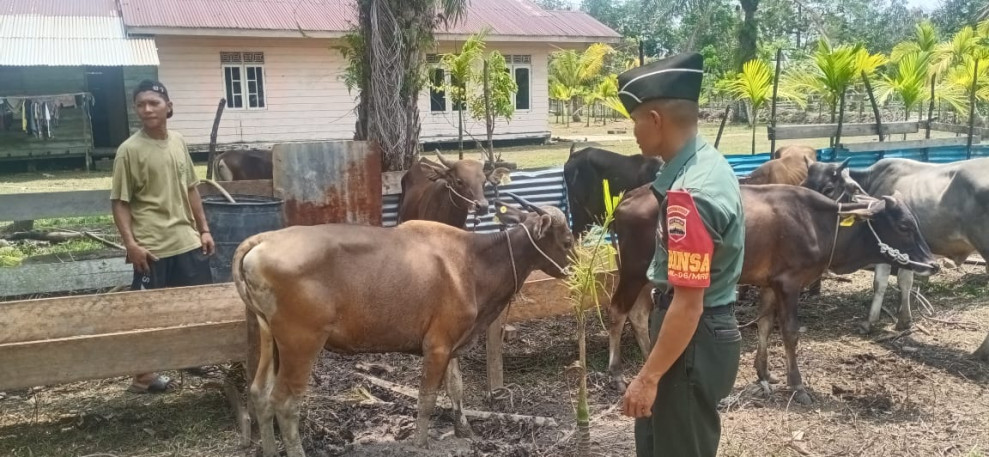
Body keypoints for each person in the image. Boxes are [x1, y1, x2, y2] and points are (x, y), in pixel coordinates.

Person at [617, 53, 746, 457]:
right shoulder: (705, 165)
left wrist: (648, 377)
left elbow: (688, 304)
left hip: (691, 339)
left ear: (655, 119)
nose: (634, 132)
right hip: (694, 335)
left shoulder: (690, 195)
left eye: (636, 120)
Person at [110, 79, 216, 394]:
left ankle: (191, 358)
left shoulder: (178, 142)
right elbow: (120, 202)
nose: (146, 109)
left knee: (196, 306)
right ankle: (143, 377)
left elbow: (191, 188)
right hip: (151, 248)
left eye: (153, 103)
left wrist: (204, 229)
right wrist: (131, 245)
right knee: (146, 313)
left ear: (168, 106)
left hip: (186, 241)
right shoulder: (128, 151)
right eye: (140, 104)